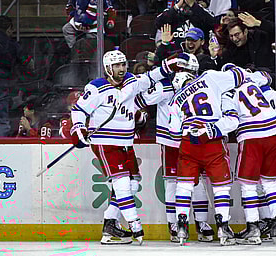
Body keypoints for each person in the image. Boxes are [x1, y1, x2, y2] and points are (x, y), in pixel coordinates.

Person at [70, 49, 191, 245]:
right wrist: (78, 129)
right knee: (122, 183)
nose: (121, 68)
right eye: (116, 65)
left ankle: (110, 225)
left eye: (123, 64)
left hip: (126, 142)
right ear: (108, 68)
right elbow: (78, 110)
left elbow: (152, 77)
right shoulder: (95, 88)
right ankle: (134, 223)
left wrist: (168, 66)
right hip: (105, 141)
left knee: (133, 184)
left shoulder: (131, 82)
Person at [134, 54, 214, 243]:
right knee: (173, 181)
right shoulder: (164, 86)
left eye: (191, 71)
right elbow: (140, 99)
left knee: (197, 180)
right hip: (171, 140)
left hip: (193, 139)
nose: (188, 74)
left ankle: (201, 223)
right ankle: (174, 223)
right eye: (185, 70)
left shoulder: (200, 86)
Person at [168, 64, 247, 246]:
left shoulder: (174, 100)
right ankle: (223, 227)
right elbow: (237, 76)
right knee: (221, 187)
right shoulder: (208, 77)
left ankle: (181, 227)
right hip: (212, 137)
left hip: (189, 141)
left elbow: (174, 132)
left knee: (184, 186)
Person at [232, 70, 276, 245]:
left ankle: (253, 228)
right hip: (275, 132)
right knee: (271, 182)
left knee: (248, 185)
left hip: (252, 134)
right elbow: (267, 75)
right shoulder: (254, 81)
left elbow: (230, 120)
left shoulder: (229, 92)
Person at [0, 15, 34, 137]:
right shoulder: (12, 44)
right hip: (2, 85)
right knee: (2, 120)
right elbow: (28, 63)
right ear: (8, 29)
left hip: (3, 84)